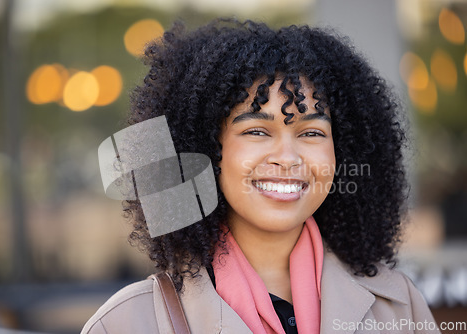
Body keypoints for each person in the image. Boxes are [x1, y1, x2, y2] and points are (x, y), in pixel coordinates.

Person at [82, 19, 440, 334]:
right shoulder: (126, 323)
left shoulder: (399, 307)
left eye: (311, 133)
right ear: (206, 149)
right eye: (256, 131)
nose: (287, 158)